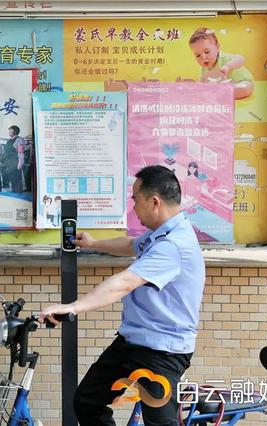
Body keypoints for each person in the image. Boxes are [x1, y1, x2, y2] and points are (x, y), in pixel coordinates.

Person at [40, 165, 205, 426]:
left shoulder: (172, 246)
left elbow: (124, 283)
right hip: (133, 342)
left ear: (154, 202)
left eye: (135, 199)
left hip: (162, 351)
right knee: (87, 402)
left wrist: (74, 306)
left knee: (160, 423)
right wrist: (93, 243)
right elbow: (130, 244)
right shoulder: (162, 234)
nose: (132, 205)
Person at [189, 27, 254, 100]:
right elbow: (203, 82)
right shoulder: (203, 69)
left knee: (245, 88)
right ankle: (222, 94)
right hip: (225, 87)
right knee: (206, 90)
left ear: (217, 47)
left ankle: (224, 94)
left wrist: (228, 66)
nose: (203, 57)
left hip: (241, 82)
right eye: (198, 55)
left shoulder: (224, 58)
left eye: (207, 52)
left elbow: (241, 59)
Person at [2, 125, 25, 193]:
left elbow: (20, 152)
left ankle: (18, 194)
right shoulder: (9, 141)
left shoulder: (19, 140)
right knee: (12, 181)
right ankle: (14, 192)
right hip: (8, 164)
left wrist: (20, 164)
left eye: (10, 130)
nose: (9, 132)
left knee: (17, 181)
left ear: (14, 131)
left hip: (15, 164)